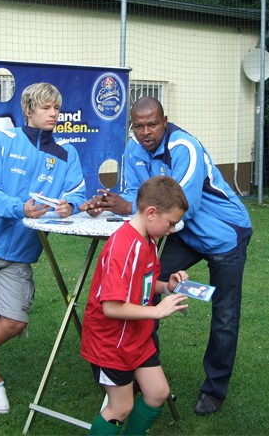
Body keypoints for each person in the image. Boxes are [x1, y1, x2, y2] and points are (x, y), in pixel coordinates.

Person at [81, 97, 252, 415]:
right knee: (144, 289)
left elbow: (186, 205)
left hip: (223, 235)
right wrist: (111, 202)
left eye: (153, 124)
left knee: (225, 315)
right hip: (179, 233)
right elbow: (137, 197)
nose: (146, 131)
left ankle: (214, 390)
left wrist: (128, 206)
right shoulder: (133, 149)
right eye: (139, 125)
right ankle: (141, 372)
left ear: (165, 121)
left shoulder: (184, 147)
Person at [0, 82, 86, 414]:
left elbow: (79, 193)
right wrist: (19, 208)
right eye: (46, 108)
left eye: (56, 108)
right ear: (29, 110)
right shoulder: (1, 140)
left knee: (13, 322)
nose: (53, 113)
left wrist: (71, 204)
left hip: (22, 253)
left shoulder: (68, 154)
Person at [81, 175, 190, 435]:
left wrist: (167, 287)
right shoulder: (124, 246)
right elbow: (112, 307)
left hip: (136, 337)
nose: (172, 229)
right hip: (111, 343)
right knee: (120, 407)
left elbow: (141, 284)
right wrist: (157, 311)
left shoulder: (148, 240)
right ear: (151, 213)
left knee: (158, 392)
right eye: (171, 223)